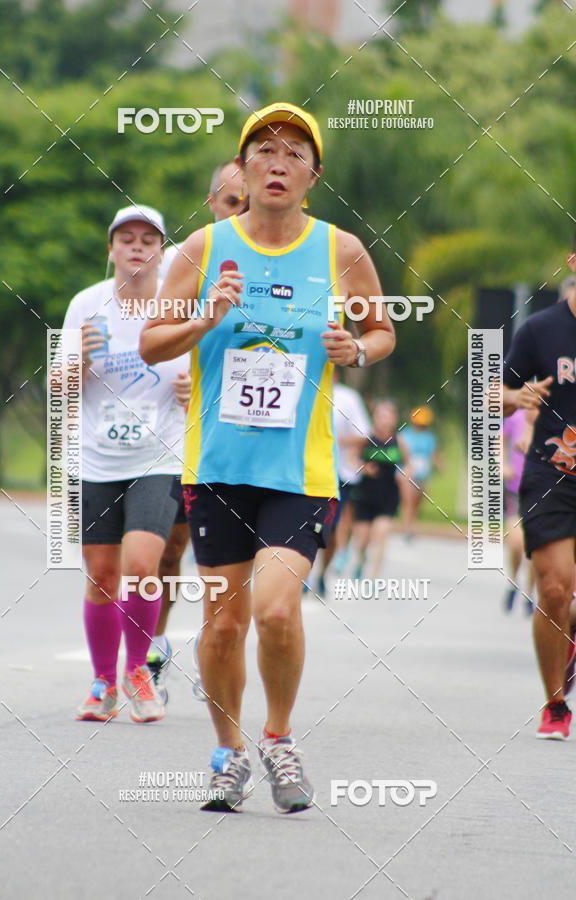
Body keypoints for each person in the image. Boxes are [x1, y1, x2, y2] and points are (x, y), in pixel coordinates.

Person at [140, 101, 395, 813]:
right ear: (243, 169)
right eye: (264, 151)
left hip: (300, 470)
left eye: (293, 153)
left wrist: (358, 349)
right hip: (219, 466)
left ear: (313, 175)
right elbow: (151, 345)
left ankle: (278, 738)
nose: (278, 162)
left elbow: (381, 334)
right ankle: (228, 752)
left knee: (278, 612)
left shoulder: (340, 251)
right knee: (224, 622)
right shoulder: (201, 248)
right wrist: (206, 318)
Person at [66, 204, 188, 723]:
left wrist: (192, 390)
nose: (137, 246)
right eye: (127, 238)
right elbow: (59, 387)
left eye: (148, 239)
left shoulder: (178, 306)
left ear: (161, 250)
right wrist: (84, 362)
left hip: (157, 457)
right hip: (96, 460)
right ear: (111, 249)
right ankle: (101, 683)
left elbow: (207, 378)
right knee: (101, 576)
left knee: (142, 567)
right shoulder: (87, 306)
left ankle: (137, 671)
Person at [147, 162, 248, 699]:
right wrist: (177, 381)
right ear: (213, 204)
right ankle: (153, 649)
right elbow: (146, 342)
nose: (243, 213)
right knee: (164, 554)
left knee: (220, 564)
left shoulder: (283, 258)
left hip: (236, 443)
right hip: (170, 439)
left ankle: (213, 644)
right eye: (233, 203)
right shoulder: (192, 258)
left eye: (249, 203)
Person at [503, 275, 576, 739]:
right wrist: (516, 396)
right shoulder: (540, 329)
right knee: (554, 588)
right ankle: (555, 704)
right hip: (553, 473)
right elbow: (493, 393)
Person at [313, 369, 371, 593]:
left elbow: (363, 434)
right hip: (306, 471)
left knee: (330, 527)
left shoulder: (347, 398)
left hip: (339, 473)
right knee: (305, 524)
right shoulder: (304, 389)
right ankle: (304, 575)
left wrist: (331, 439)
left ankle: (322, 573)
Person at [351, 400, 410, 578]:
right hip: (365, 494)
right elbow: (351, 457)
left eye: (388, 416)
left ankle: (374, 577)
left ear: (394, 419)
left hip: (388, 494)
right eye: (380, 415)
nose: (384, 420)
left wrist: (405, 473)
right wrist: (364, 467)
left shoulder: (399, 441)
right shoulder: (366, 438)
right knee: (363, 538)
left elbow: (409, 464)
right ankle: (361, 560)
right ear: (374, 418)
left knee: (381, 535)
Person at [502, 408, 534, 615]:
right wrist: (503, 463)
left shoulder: (554, 414)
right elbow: (500, 440)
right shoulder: (516, 416)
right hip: (516, 488)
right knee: (515, 543)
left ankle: (529, 595)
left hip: (542, 491)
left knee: (533, 547)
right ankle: (513, 582)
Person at [399, 407, 442, 541]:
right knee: (408, 501)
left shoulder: (429, 437)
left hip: (423, 474)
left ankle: (412, 524)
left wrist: (440, 466)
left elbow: (434, 454)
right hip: (408, 473)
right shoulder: (405, 435)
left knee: (417, 502)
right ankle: (407, 529)